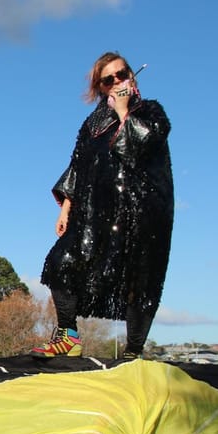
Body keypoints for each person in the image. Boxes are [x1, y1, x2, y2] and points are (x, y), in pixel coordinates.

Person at [32, 51, 174, 359]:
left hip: (143, 212)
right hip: (96, 212)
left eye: (121, 74)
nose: (117, 82)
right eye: (108, 80)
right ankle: (67, 336)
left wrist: (125, 113)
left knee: (140, 279)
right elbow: (78, 164)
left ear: (132, 75)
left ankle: (133, 351)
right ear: (101, 87)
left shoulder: (151, 111)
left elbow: (142, 146)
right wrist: (66, 207)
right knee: (62, 259)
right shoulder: (92, 124)